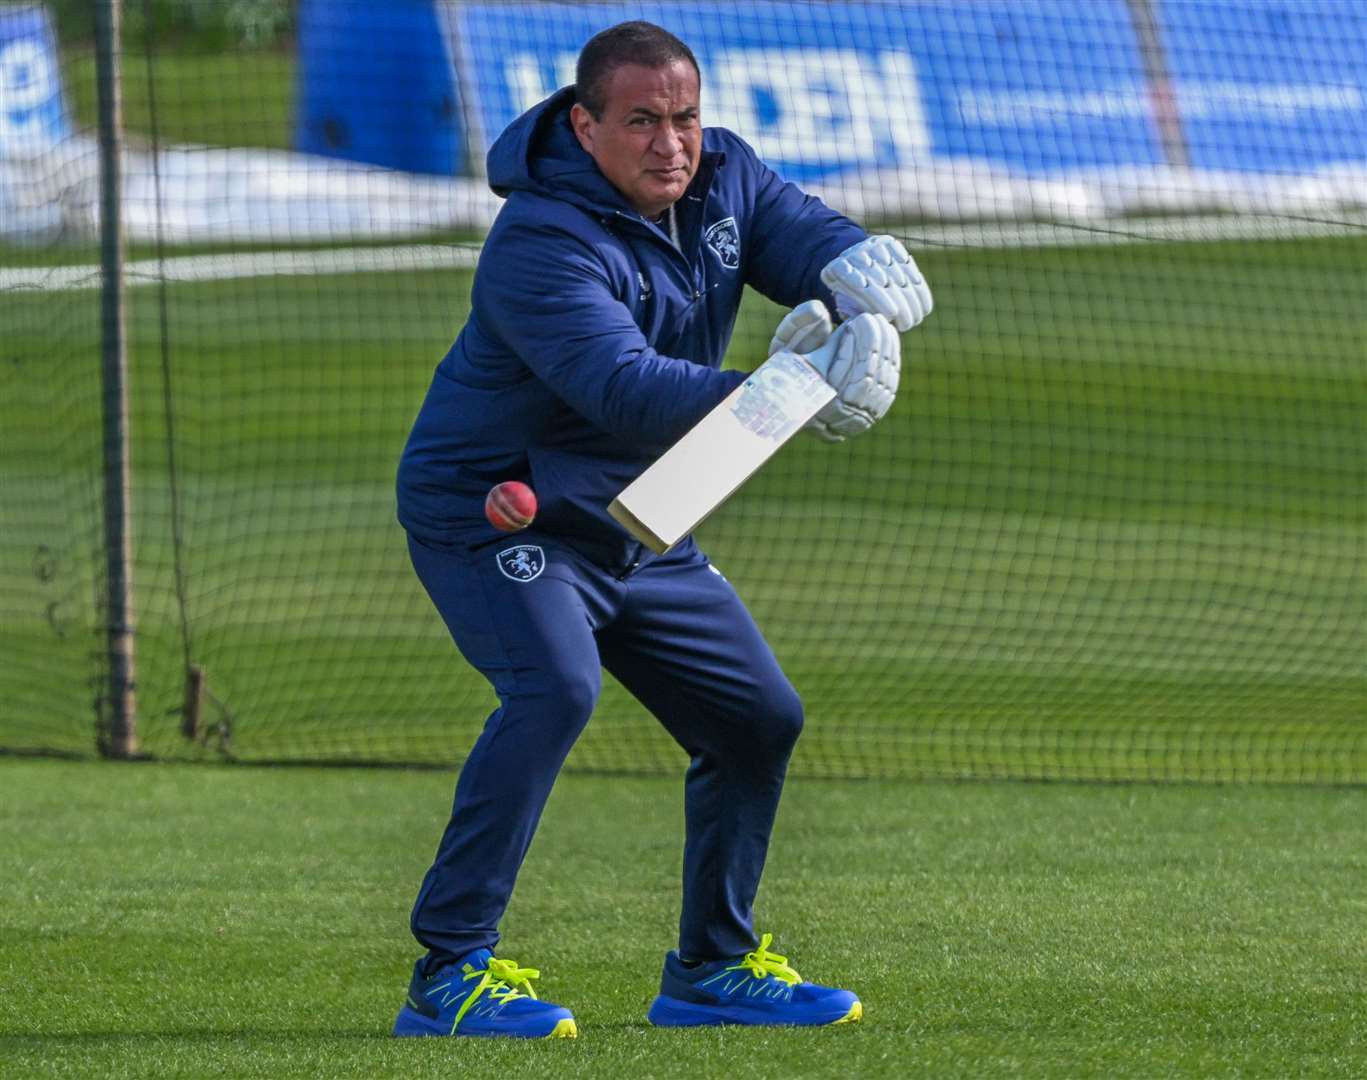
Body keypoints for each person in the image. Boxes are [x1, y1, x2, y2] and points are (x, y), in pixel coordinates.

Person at [392, 20, 932, 1039]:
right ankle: (448, 973)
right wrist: (792, 388)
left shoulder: (723, 173)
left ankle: (709, 970)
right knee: (553, 689)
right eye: (641, 121)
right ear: (584, 125)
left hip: (644, 508)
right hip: (501, 508)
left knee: (755, 718)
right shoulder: (539, 242)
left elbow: (796, 234)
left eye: (683, 117)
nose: (672, 144)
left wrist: (850, 261)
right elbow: (623, 389)